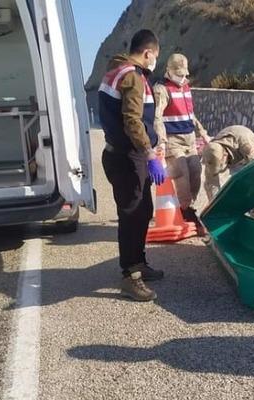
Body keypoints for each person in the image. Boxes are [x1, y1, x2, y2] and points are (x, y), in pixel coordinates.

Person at [97, 29, 166, 302]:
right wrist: (150, 155)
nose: (154, 62)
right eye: (155, 57)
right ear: (148, 53)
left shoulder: (116, 70)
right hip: (128, 157)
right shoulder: (132, 77)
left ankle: (139, 263)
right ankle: (130, 275)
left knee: (142, 210)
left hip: (123, 154)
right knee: (132, 213)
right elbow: (133, 122)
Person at [152, 53, 212, 229]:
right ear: (169, 71)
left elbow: (191, 116)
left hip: (190, 140)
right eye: (179, 74)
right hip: (173, 141)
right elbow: (157, 117)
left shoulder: (185, 87)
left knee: (195, 171)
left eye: (185, 74)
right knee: (181, 173)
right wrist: (161, 141)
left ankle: (186, 207)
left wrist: (203, 133)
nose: (183, 78)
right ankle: (185, 210)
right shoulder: (161, 89)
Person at [201, 125, 254, 217]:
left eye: (221, 165)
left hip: (251, 155)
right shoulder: (212, 149)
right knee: (215, 182)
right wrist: (214, 207)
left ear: (225, 155)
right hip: (231, 154)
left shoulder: (247, 145)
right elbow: (211, 182)